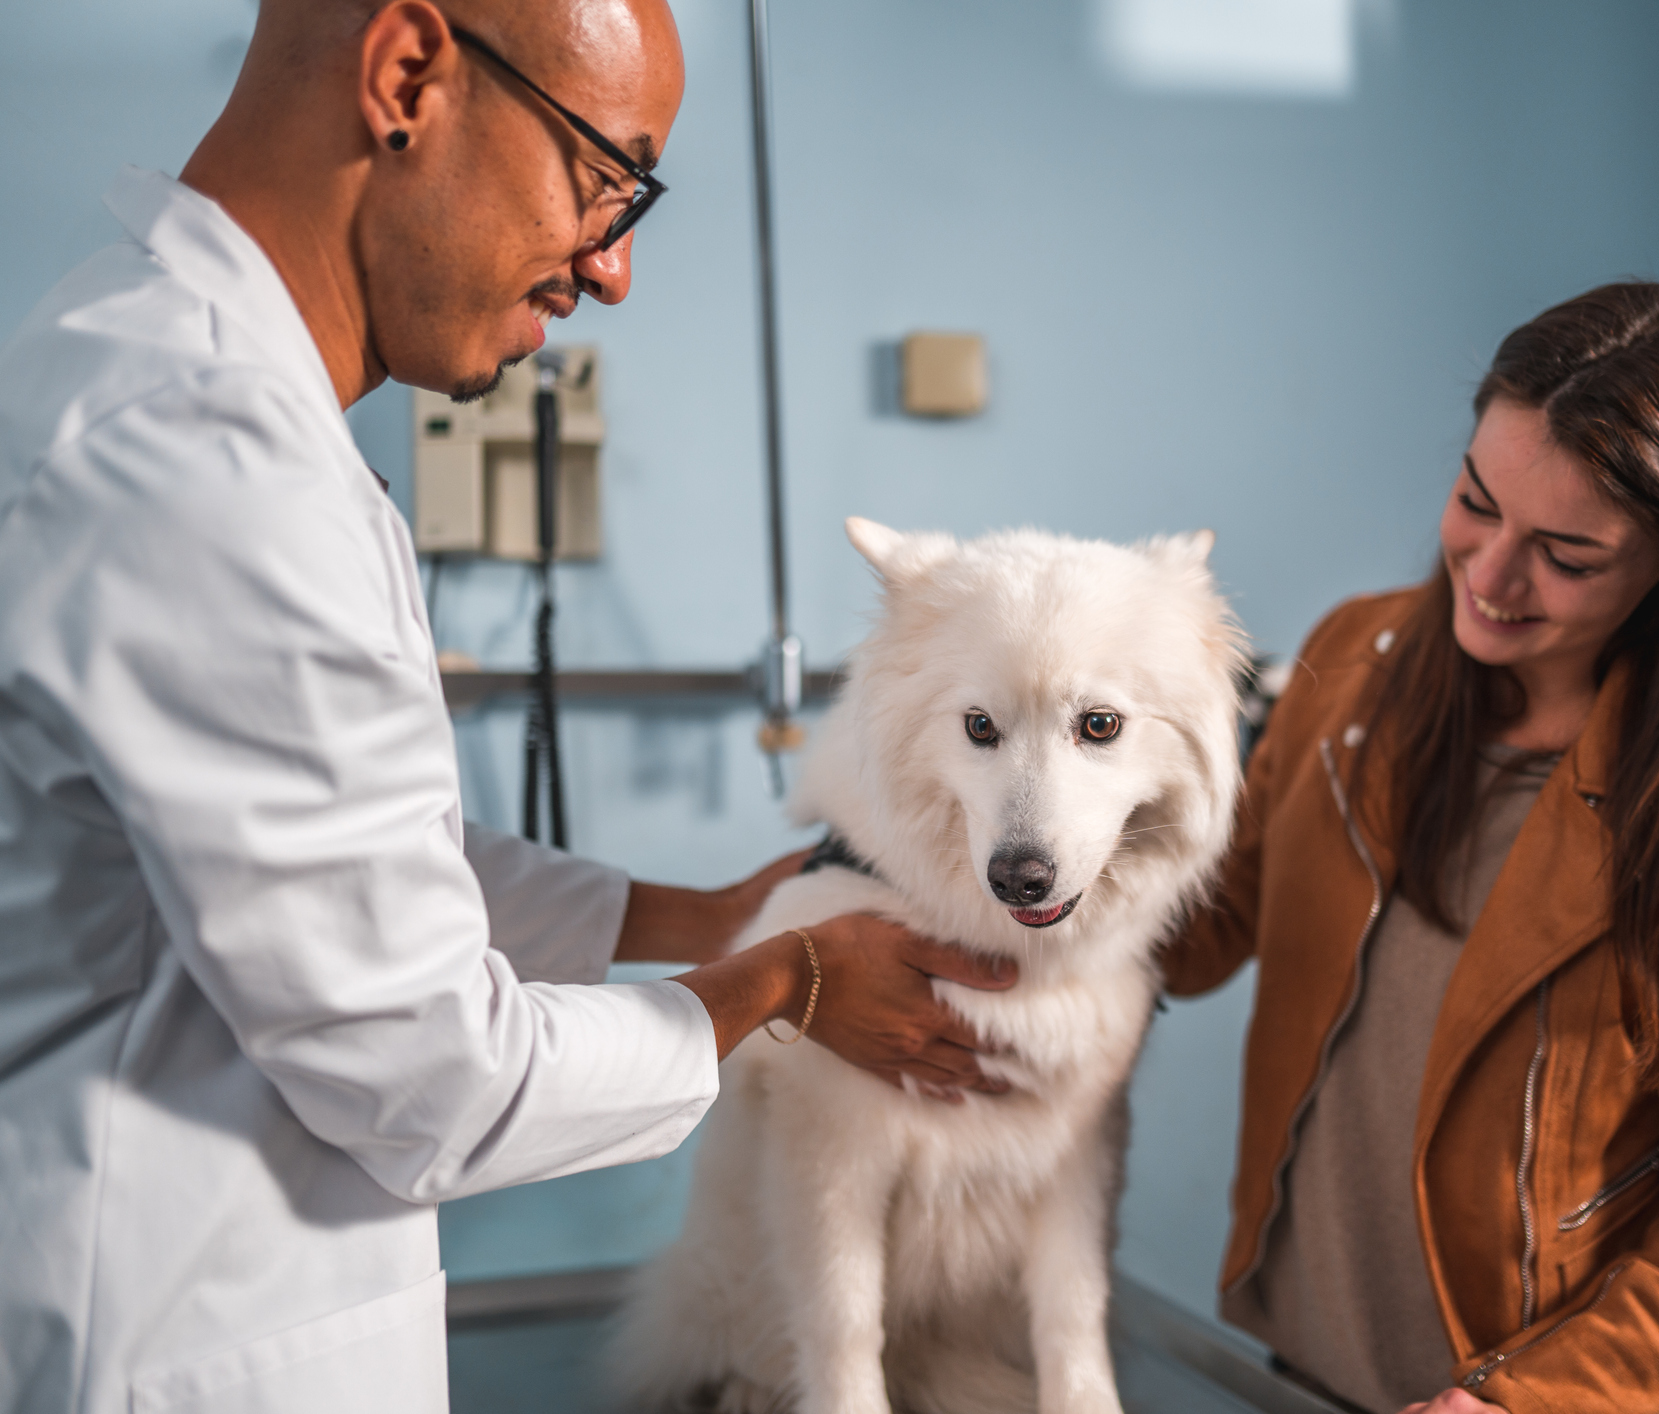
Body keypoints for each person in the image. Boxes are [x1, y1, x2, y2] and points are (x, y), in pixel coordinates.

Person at [0, 4, 1010, 1412]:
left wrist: (706, 914)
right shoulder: (209, 460)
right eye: (607, 180)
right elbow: (432, 1076)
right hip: (175, 1345)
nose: (613, 269)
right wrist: (785, 982)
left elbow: (340, 866)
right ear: (407, 74)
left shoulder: (167, 377)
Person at [1161, 283, 1659, 1414]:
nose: (1488, 575)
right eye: (1476, 500)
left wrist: (1526, 1400)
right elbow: (1207, 921)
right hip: (1295, 1361)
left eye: (1567, 554)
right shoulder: (1351, 661)